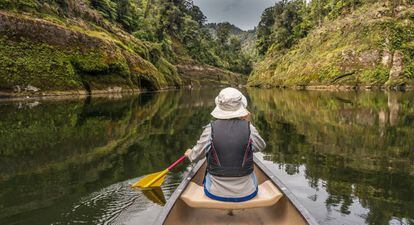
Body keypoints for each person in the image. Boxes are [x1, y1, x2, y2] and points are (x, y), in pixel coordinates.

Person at [184, 87, 266, 202]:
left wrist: (189, 154)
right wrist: (247, 123)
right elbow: (260, 146)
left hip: (214, 192)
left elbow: (195, 156)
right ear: (241, 106)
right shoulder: (249, 128)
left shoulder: (210, 129)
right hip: (247, 192)